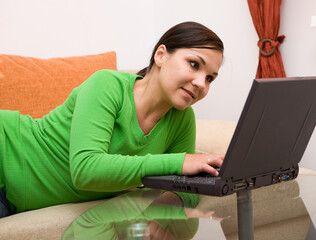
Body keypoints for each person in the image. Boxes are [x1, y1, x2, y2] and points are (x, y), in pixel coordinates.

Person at [0, 21, 225, 217]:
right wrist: (180, 162)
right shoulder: (106, 85)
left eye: (210, 78)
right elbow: (86, 170)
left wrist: (170, 207)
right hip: (6, 155)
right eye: (194, 64)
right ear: (161, 55)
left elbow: (184, 189)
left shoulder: (182, 119)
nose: (200, 83)